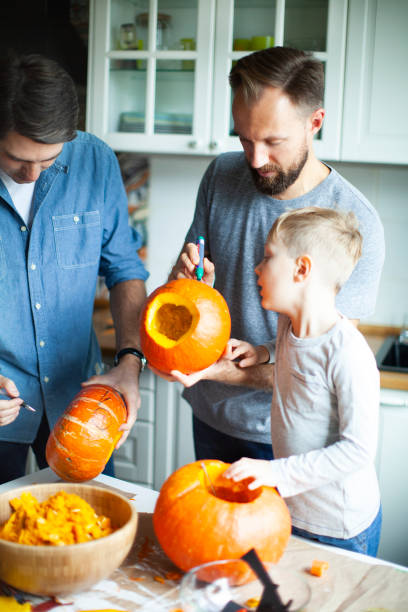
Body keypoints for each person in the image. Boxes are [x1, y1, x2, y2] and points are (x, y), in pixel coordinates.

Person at [166, 46, 384, 463]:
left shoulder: (355, 224)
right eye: (245, 139)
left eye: (273, 141)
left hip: (291, 437)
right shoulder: (220, 176)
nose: (256, 158)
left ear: (314, 123)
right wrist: (184, 284)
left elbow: (322, 361)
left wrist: (223, 372)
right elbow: (186, 287)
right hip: (210, 416)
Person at [182, 206, 382, 556]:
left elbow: (357, 451)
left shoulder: (349, 354)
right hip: (296, 511)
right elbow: (297, 352)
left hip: (338, 525)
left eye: (268, 258)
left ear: (301, 269)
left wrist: (274, 473)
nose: (257, 268)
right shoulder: (289, 326)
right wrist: (262, 352)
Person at [0, 52, 149, 484]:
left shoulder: (95, 161)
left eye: (47, 162)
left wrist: (130, 361)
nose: (30, 174)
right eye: (14, 159)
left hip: (80, 400)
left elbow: (124, 268)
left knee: (87, 526)